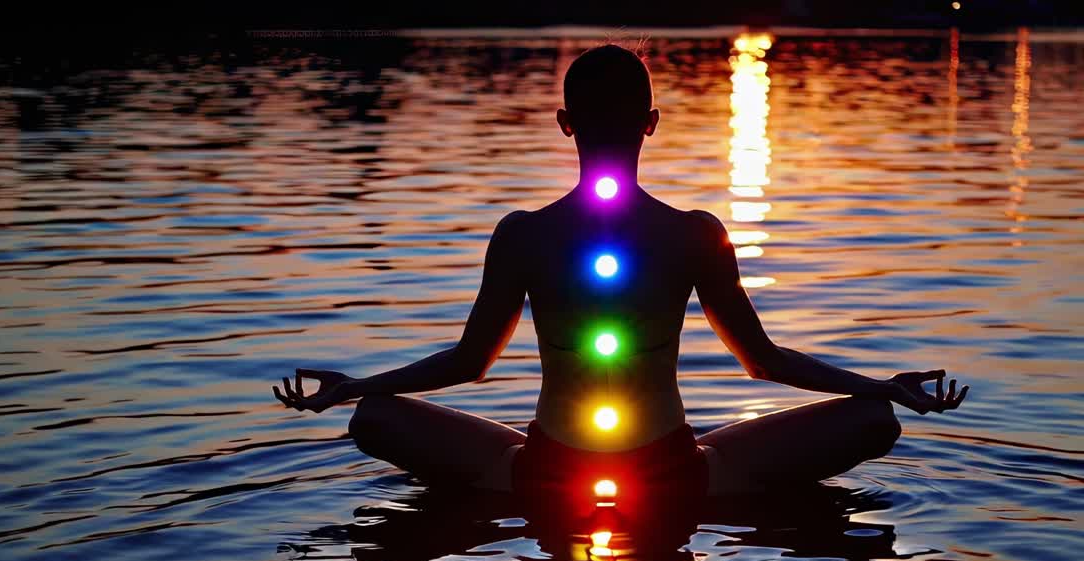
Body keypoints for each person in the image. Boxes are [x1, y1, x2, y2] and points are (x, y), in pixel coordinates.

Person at [272, 43, 967, 496]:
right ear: (652, 123)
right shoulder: (696, 234)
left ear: (564, 123)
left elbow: (468, 363)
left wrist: (356, 386)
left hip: (541, 474)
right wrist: (882, 385)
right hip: (676, 475)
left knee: (372, 418)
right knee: (876, 420)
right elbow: (762, 360)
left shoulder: (523, 234)